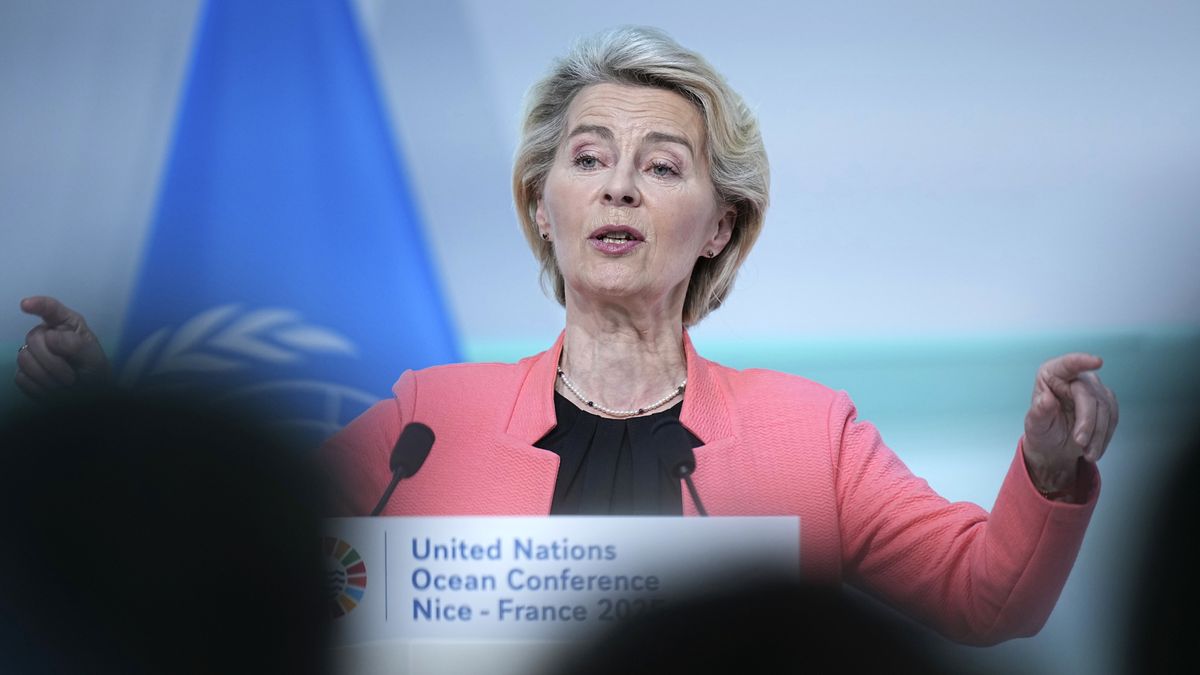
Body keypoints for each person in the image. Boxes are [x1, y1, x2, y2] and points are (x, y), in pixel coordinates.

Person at [14, 26, 1118, 646]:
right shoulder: (424, 423)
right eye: (587, 159)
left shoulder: (807, 434)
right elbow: (232, 555)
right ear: (542, 204)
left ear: (719, 223)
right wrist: (105, 408)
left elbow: (990, 598)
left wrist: (1047, 470)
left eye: (662, 165)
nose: (618, 186)